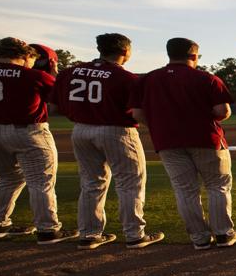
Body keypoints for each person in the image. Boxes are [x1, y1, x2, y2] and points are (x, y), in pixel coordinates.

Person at [54, 33, 159, 249]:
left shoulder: (70, 72)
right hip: (117, 131)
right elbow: (138, 113)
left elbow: (54, 107)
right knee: (130, 183)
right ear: (125, 51)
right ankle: (134, 234)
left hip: (81, 130)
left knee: (91, 183)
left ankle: (89, 234)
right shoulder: (126, 78)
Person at [135, 37, 236, 249]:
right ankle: (223, 234)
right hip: (206, 139)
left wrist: (161, 125)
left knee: (185, 190)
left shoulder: (147, 80)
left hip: (167, 141)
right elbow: (223, 111)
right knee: (217, 186)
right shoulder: (206, 78)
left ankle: (199, 237)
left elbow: (138, 114)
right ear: (193, 55)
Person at [0, 37, 63, 243]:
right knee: (41, 182)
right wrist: (53, 72)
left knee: (9, 177)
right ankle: (48, 229)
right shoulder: (34, 75)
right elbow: (60, 99)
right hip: (28, 132)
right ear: (25, 57)